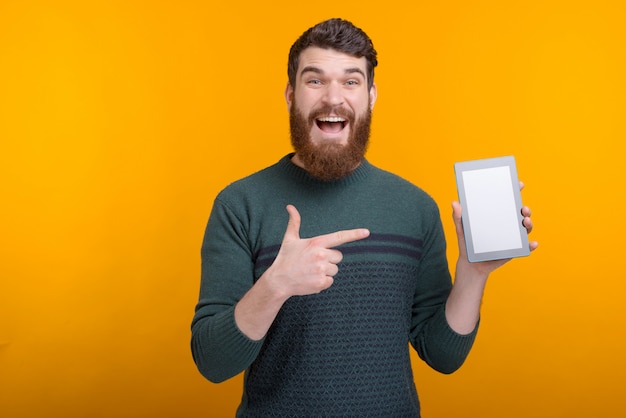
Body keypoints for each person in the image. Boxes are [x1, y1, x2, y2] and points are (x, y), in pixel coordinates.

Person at [191, 18, 537, 417]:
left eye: (351, 81)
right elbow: (212, 362)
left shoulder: (415, 208)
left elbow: (443, 355)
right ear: (291, 95)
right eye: (315, 80)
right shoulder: (240, 204)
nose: (333, 98)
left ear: (371, 96)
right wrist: (276, 284)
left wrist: (473, 274)